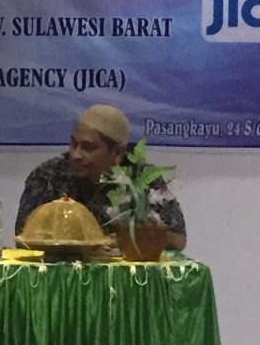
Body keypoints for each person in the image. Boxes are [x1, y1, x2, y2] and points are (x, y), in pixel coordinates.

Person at [15, 104, 187, 250]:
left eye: (88, 148)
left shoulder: (141, 179)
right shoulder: (48, 176)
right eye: (74, 144)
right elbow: (22, 239)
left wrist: (131, 237)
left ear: (117, 153)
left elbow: (178, 239)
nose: (75, 155)